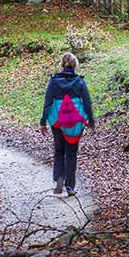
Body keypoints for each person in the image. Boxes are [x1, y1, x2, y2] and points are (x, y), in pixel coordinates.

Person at [41, 51, 94, 197]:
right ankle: (70, 186)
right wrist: (91, 121)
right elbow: (87, 103)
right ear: (75, 65)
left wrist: (43, 122)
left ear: (62, 65)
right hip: (74, 120)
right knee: (71, 152)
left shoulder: (54, 81)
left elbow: (48, 102)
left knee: (59, 150)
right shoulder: (79, 82)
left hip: (57, 119)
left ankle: (59, 179)